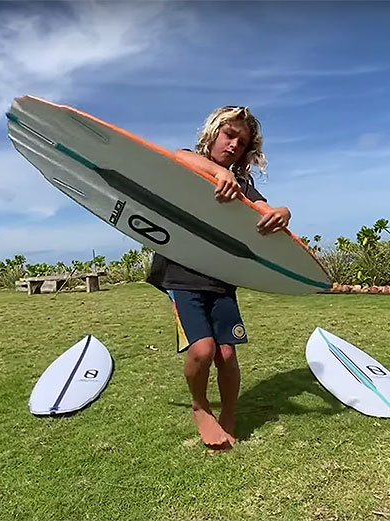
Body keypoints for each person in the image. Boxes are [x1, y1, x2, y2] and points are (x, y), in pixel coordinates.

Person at [146, 105, 292, 451]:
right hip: (181, 274)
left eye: (240, 143)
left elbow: (264, 211)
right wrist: (215, 171)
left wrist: (283, 212)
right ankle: (200, 405)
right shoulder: (192, 165)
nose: (232, 146)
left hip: (222, 277)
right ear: (213, 134)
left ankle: (228, 410)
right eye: (229, 135)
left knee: (226, 353)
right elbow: (179, 156)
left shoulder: (242, 185)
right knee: (203, 348)